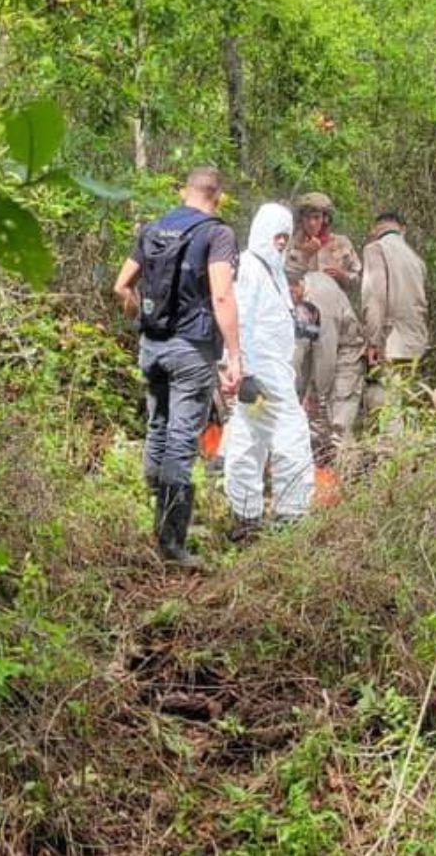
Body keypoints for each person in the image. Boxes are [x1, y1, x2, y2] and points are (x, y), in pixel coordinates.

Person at [113, 167, 241, 569]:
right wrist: (235, 355)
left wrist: (141, 316)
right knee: (182, 439)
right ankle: (171, 543)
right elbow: (222, 297)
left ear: (184, 191)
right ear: (217, 196)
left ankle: (154, 513)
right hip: (191, 349)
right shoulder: (217, 234)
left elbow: (121, 285)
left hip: (152, 346)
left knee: (158, 427)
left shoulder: (154, 228)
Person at [224, 203, 315, 540]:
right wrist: (242, 372)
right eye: (277, 236)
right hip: (261, 374)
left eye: (285, 238)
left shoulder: (271, 270)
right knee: (291, 436)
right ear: (262, 231)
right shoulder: (249, 267)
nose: (281, 243)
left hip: (272, 371)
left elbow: (271, 318)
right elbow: (239, 318)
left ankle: (246, 515)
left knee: (251, 438)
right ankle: (290, 514)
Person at [286, 254, 366, 465]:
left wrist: (315, 394)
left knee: (338, 423)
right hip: (324, 354)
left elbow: (326, 355)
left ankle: (348, 473)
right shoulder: (303, 293)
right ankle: (320, 470)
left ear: (294, 288)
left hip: (346, 354)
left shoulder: (320, 302)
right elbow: (299, 350)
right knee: (314, 422)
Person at [361, 211, 429, 415]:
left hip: (390, 340)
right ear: (402, 229)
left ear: (375, 229)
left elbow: (375, 298)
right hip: (415, 341)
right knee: (409, 405)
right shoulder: (416, 259)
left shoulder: (376, 249)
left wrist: (373, 342)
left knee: (387, 406)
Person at [288, 192, 361, 293]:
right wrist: (305, 255)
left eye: (316, 217)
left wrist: (343, 276)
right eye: (307, 217)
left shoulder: (341, 244)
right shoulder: (291, 245)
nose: (312, 223)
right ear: (301, 219)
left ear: (325, 219)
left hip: (334, 301)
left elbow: (358, 280)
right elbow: (286, 278)